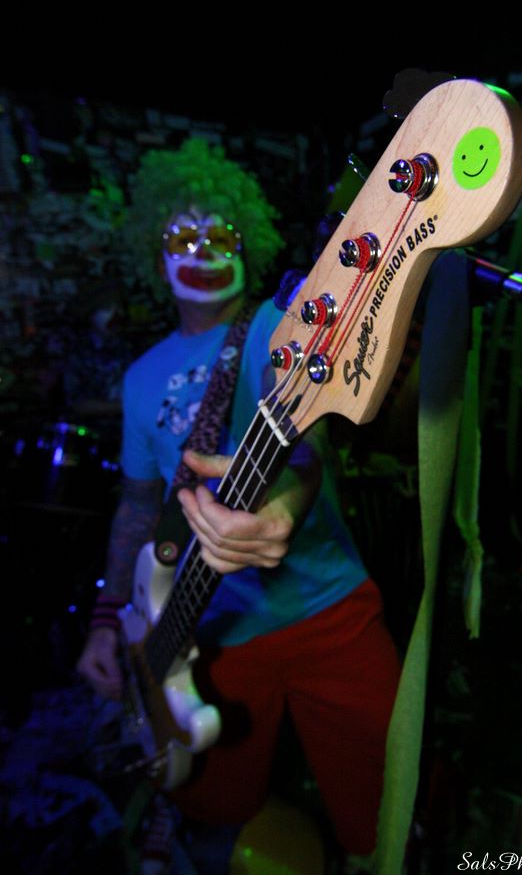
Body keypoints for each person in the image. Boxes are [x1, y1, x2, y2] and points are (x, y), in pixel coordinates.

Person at [76, 138, 401, 873]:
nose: (202, 251)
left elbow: (308, 448)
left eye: (220, 234)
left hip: (329, 609)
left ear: (247, 245)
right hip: (207, 633)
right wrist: (106, 618)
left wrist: (283, 502)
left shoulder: (275, 330)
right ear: (153, 253)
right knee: (214, 807)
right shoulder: (140, 378)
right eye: (181, 237)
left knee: (385, 805)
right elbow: (137, 504)